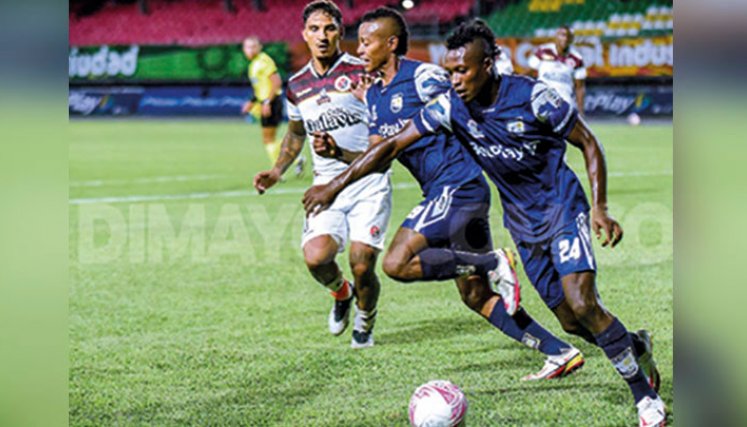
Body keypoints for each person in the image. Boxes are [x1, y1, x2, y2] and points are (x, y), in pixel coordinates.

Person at [303, 19, 665, 426]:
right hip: (523, 226)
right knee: (570, 319)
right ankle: (634, 344)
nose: (455, 80)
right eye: (451, 71)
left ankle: (646, 401)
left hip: (562, 208)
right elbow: (390, 145)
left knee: (582, 301)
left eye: (463, 71)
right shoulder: (449, 106)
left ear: (489, 64)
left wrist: (599, 207)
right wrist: (334, 184)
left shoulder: (534, 97)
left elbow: (588, 143)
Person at [312, 6, 585, 380]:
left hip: (457, 184)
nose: (359, 49)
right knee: (474, 295)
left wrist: (331, 187)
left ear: (391, 44)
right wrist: (339, 156)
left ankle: (493, 261)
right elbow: (380, 153)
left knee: (396, 263)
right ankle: (559, 352)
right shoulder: (374, 95)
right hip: (451, 192)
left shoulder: (424, 77)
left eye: (366, 41)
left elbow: (473, 95)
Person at [253, 0, 391, 349]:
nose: (322, 35)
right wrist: (277, 170)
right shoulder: (298, 85)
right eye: (314, 29)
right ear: (304, 35)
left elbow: (384, 137)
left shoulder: (363, 72)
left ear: (340, 32)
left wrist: (343, 150)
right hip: (325, 185)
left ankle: (365, 319)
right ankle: (341, 295)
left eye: (329, 28)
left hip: (368, 181)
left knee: (362, 264)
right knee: (316, 257)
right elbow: (296, 133)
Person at [241, 36, 305, 175]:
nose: (250, 50)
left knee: (268, 139)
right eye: (247, 47)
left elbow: (276, 82)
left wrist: (267, 102)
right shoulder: (254, 64)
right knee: (270, 138)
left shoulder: (264, 61)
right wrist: (251, 102)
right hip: (266, 102)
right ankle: (295, 158)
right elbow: (260, 88)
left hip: (271, 102)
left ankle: (278, 170)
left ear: (260, 47)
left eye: (253, 46)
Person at [528, 26, 586, 115]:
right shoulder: (543, 51)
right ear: (556, 36)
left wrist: (581, 111)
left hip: (564, 102)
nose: (565, 39)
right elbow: (529, 72)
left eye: (569, 37)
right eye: (563, 35)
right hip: (542, 100)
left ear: (572, 39)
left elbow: (580, 87)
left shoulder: (577, 59)